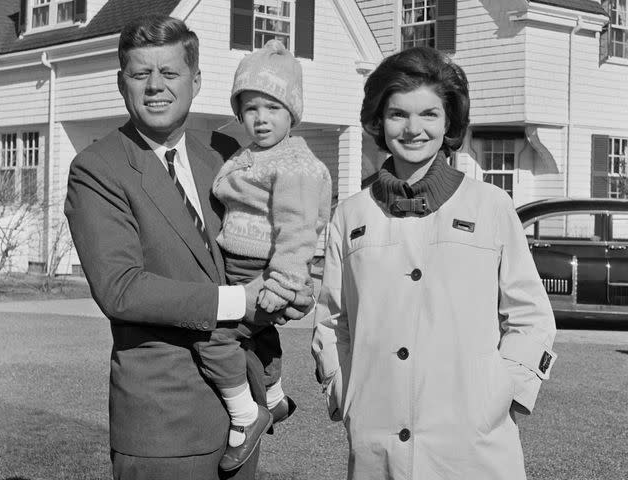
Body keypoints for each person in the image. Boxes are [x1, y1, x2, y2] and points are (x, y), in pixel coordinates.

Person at [64, 14, 310, 480]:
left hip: (245, 412)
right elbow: (121, 289)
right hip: (164, 425)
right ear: (122, 83)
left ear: (196, 81)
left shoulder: (225, 153)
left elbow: (273, 228)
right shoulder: (97, 169)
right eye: (141, 74)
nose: (155, 86)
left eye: (170, 73)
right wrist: (245, 300)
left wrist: (292, 285)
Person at [311, 46, 557, 480]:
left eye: (428, 114)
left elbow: (531, 316)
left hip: (474, 446)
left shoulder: (492, 206)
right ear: (378, 121)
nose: (412, 129)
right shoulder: (349, 215)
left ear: (449, 124)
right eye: (397, 114)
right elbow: (333, 322)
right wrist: (343, 392)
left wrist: (503, 395)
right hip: (376, 443)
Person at [210, 39, 331, 470]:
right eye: (251, 108)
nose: (261, 119)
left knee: (213, 338)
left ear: (292, 113)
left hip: (262, 270)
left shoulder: (294, 163)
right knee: (259, 338)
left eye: (273, 108)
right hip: (240, 264)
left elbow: (297, 231)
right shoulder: (253, 155)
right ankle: (276, 397)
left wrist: (281, 284)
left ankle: (248, 414)